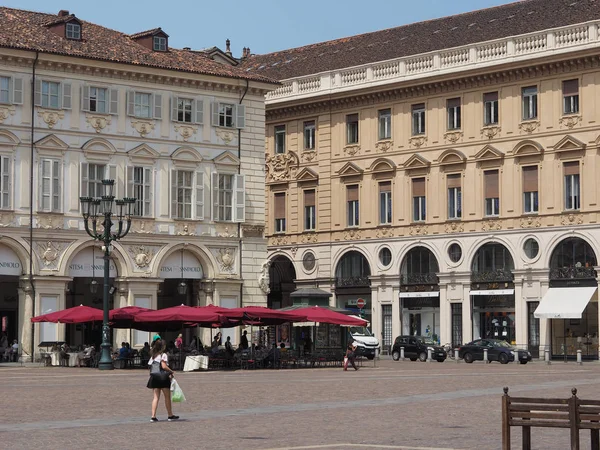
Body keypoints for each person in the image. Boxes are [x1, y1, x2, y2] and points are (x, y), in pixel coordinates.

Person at [147, 339, 178, 422]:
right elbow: (163, 366)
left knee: (155, 397)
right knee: (167, 397)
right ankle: (170, 415)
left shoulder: (153, 355)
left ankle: (153, 416)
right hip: (163, 378)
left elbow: (150, 366)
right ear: (163, 346)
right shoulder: (163, 355)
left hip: (154, 378)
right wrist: (171, 371)